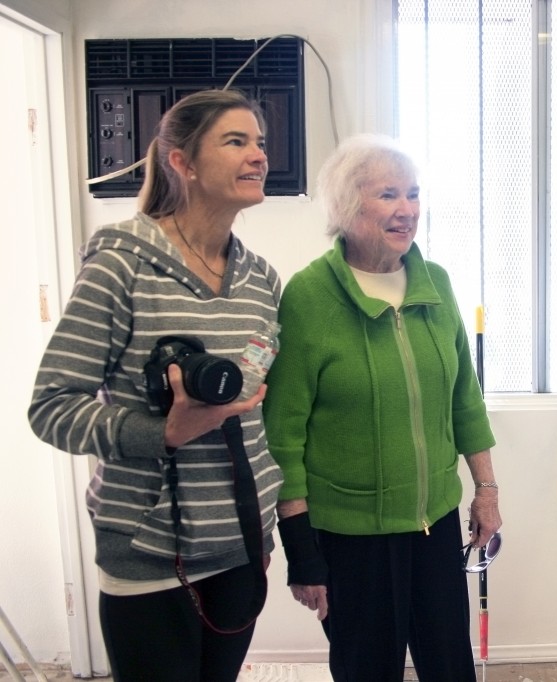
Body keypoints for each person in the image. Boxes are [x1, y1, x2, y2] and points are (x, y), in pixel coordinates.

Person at [28, 89, 284, 682]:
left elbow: (254, 407)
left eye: (260, 142)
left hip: (242, 542)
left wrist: (268, 525)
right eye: (236, 141)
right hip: (148, 553)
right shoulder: (123, 264)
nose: (258, 156)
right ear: (183, 162)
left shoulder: (260, 280)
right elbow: (50, 407)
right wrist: (161, 432)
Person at [263, 133, 501, 682]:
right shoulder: (309, 297)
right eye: (389, 195)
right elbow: (284, 434)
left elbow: (465, 397)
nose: (407, 210)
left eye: (413, 194)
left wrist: (486, 490)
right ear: (347, 206)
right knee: (366, 669)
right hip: (351, 537)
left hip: (435, 521)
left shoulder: (434, 283)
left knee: (450, 666)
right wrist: (300, 548)